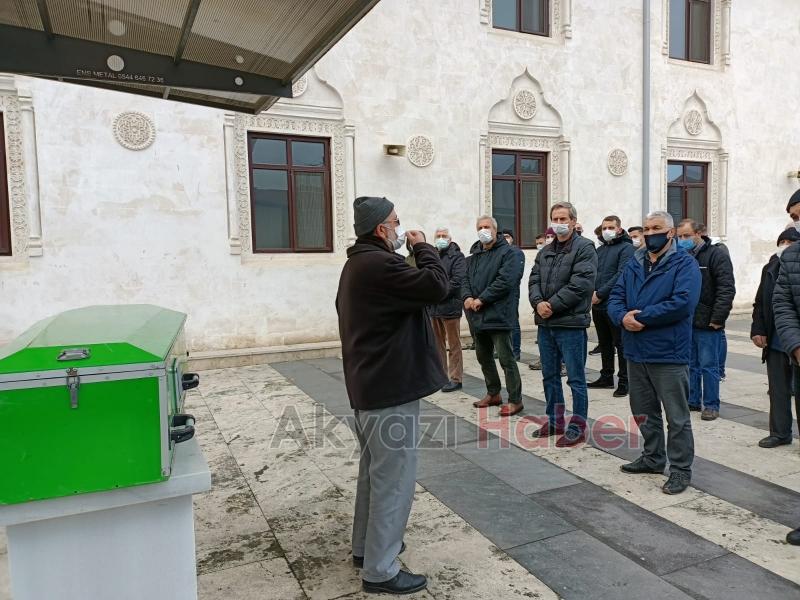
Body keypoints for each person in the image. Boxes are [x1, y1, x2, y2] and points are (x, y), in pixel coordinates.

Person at [336, 196, 448, 594]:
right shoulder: (380, 264)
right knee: (394, 481)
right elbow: (436, 286)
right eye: (396, 223)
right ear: (381, 229)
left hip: (371, 386)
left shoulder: (356, 265)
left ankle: (367, 549)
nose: (401, 229)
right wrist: (424, 248)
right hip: (389, 389)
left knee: (375, 475)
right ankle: (381, 570)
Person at [607, 211, 701, 495]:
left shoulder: (685, 264)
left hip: (668, 352)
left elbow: (682, 303)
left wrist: (642, 317)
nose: (650, 233)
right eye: (646, 228)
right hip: (636, 352)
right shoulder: (634, 263)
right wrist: (622, 317)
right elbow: (615, 296)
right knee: (643, 411)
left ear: (670, 232)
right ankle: (652, 457)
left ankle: (681, 469)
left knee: (677, 417)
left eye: (656, 228)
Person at [529, 201, 598, 446]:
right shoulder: (545, 251)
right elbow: (533, 280)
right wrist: (538, 303)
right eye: (555, 219)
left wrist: (552, 305)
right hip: (546, 325)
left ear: (572, 221)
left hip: (570, 324)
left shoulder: (585, 248)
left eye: (562, 219)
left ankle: (577, 426)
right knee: (549, 376)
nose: (558, 224)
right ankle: (555, 420)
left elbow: (581, 284)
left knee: (576, 378)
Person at [462, 216, 524, 416]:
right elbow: (464, 279)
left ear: (495, 230)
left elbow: (506, 281)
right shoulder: (474, 256)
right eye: (479, 227)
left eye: (486, 227)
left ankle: (515, 399)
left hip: (498, 314)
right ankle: (493, 392)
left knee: (506, 359)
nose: (483, 230)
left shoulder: (510, 253)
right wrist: (467, 297)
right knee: (483, 357)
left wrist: (482, 299)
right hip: (477, 316)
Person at [676, 219, 736, 421]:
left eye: (686, 235)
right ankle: (693, 400)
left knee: (709, 365)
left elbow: (726, 288)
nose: (682, 240)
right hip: (687, 320)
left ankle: (711, 405)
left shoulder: (716, 255)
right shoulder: (681, 256)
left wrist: (718, 318)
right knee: (690, 363)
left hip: (708, 320)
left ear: (699, 233)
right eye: (680, 236)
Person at [770, 188, 800, 546]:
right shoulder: (792, 259)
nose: (797, 222)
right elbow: (784, 305)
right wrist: (795, 344)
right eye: (794, 217)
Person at [751, 228, 800, 448]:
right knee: (778, 389)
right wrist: (758, 329)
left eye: (792, 241)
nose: (787, 245)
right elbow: (761, 301)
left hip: (796, 337)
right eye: (784, 241)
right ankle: (780, 433)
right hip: (777, 337)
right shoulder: (771, 266)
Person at [588, 216, 635, 397]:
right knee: (604, 343)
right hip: (597, 304)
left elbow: (621, 274)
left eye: (611, 227)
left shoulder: (627, 248)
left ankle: (624, 381)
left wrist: (600, 293)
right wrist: (592, 292)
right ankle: (606, 376)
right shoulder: (600, 250)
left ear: (619, 229)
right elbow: (592, 272)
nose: (607, 230)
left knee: (620, 344)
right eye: (604, 227)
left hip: (614, 304)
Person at [430, 227, 466, 392]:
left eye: (444, 236)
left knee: (453, 344)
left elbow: (457, 280)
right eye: (438, 236)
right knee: (437, 345)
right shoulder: (433, 256)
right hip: (434, 307)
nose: (441, 238)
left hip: (450, 306)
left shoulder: (457, 257)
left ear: (450, 239)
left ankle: (456, 378)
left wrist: (438, 292)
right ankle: (441, 376)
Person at [500, 228, 525, 361]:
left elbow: (516, 274)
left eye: (508, 236)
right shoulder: (499, 252)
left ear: (512, 238)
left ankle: (516, 351)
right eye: (503, 236)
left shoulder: (516, 252)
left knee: (513, 322)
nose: (505, 238)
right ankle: (505, 350)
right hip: (499, 293)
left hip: (511, 292)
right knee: (502, 322)